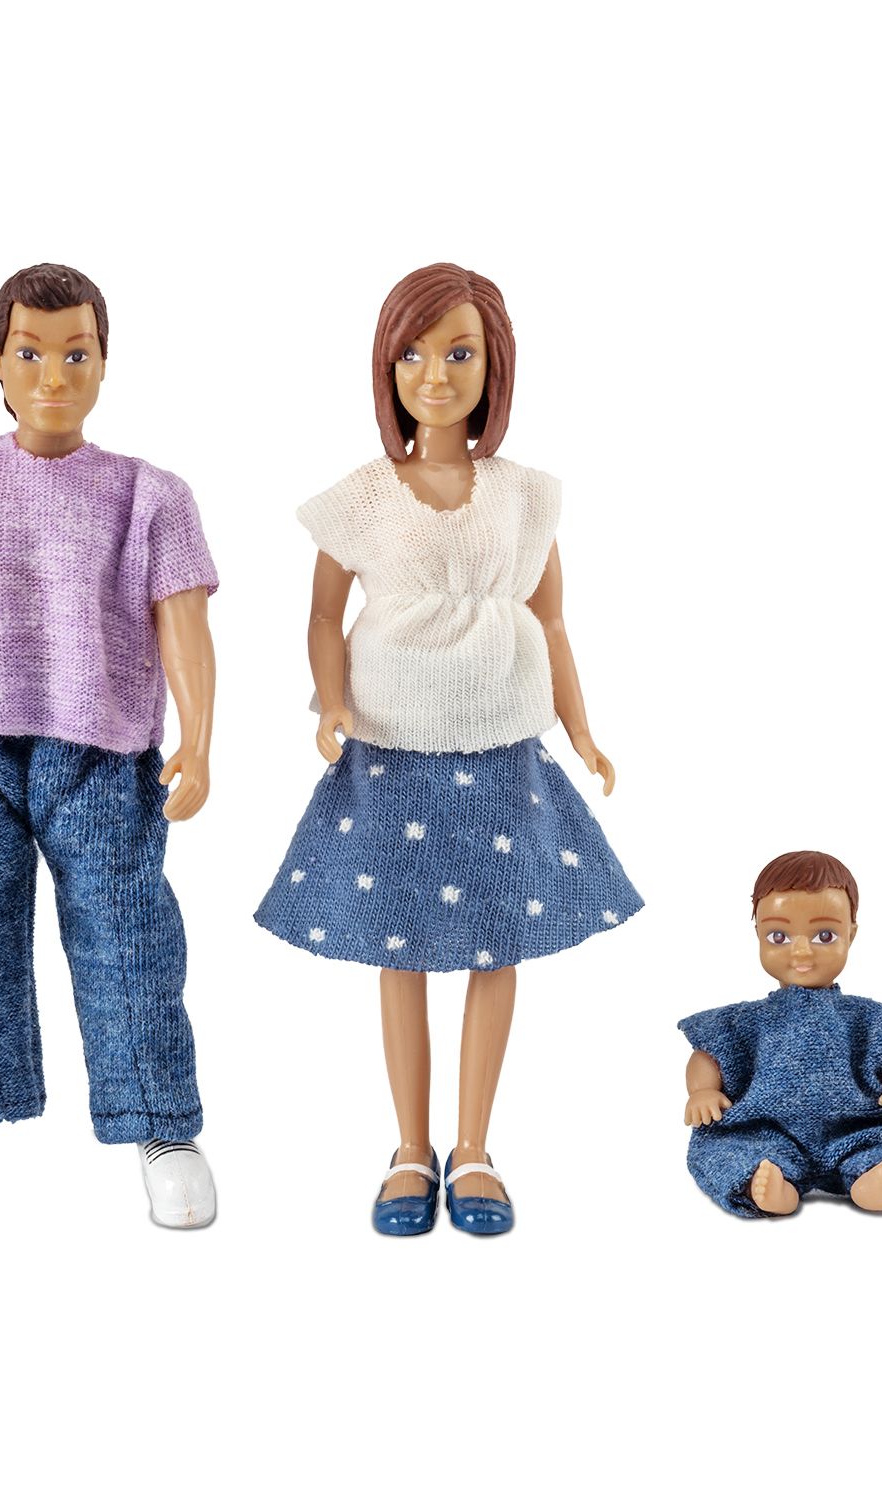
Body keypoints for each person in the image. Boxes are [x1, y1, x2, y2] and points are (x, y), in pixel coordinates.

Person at [255, 263, 641, 1236]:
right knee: (402, 951)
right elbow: (322, 615)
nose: (435, 374)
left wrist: (582, 729)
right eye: (414, 354)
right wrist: (331, 702)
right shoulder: (362, 497)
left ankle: (474, 1147)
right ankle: (408, 1147)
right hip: (390, 748)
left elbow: (552, 621)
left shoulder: (524, 496)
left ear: (493, 366)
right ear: (386, 368)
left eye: (459, 352)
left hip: (502, 744)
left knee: (496, 943)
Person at [0, 263, 219, 1231]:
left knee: (128, 935)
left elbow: (184, 622)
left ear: (104, 362)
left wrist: (199, 740)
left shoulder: (149, 496)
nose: (53, 376)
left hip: (101, 748)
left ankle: (160, 1123)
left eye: (75, 353)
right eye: (29, 353)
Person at [679, 850, 882, 1216]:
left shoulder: (867, 1017)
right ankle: (764, 1183)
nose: (801, 951)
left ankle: (878, 1178)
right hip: (766, 1130)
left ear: (851, 934)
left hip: (861, 1128)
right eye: (779, 936)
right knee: (720, 1149)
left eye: (824, 935)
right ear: (758, 934)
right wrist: (703, 1091)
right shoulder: (745, 1020)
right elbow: (709, 1053)